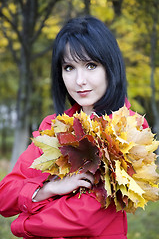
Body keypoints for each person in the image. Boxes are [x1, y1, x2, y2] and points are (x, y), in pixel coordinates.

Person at [0, 15, 148, 239]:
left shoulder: (129, 130)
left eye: (90, 65)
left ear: (110, 67)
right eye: (69, 67)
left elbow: (85, 220)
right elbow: (5, 196)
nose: (79, 80)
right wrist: (49, 189)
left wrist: (21, 225)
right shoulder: (52, 127)